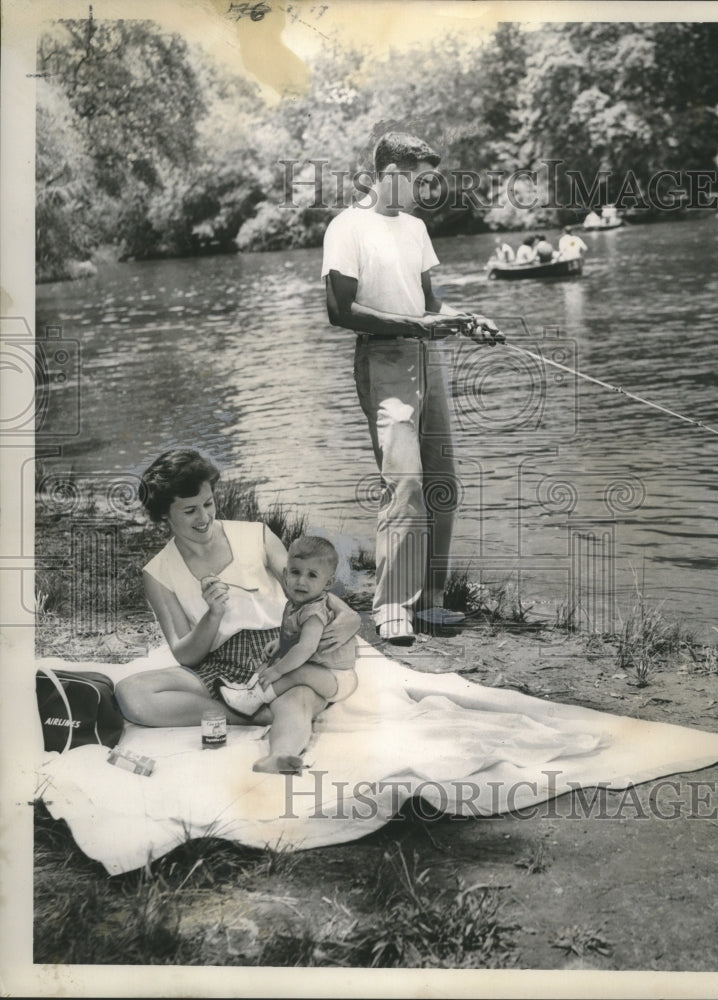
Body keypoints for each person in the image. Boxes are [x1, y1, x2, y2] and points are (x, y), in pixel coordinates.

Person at [322, 131, 504, 646]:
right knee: (404, 484)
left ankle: (433, 600)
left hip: (429, 360)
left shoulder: (417, 229)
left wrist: (467, 319)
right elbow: (340, 310)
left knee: (441, 482)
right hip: (383, 359)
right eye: (420, 180)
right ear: (392, 173)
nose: (426, 191)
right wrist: (417, 327)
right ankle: (393, 608)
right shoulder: (346, 226)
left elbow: (429, 304)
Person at [114, 449, 361, 774]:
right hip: (220, 665)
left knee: (298, 691)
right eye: (189, 510)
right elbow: (185, 655)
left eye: (208, 503)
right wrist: (212, 615)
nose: (203, 517)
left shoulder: (255, 535)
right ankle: (253, 713)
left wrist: (349, 617)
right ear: (165, 515)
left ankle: (280, 753)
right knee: (131, 693)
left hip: (281, 649)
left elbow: (306, 592)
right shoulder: (158, 572)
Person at [221, 536, 359, 747]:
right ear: (285, 575)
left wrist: (278, 671)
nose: (301, 581)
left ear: (328, 583)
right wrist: (280, 642)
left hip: (337, 676)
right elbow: (297, 635)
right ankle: (247, 690)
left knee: (293, 671)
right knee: (273, 661)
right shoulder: (297, 603)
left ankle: (254, 699)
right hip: (321, 668)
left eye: (312, 575)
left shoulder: (314, 612)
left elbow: (306, 647)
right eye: (295, 572)